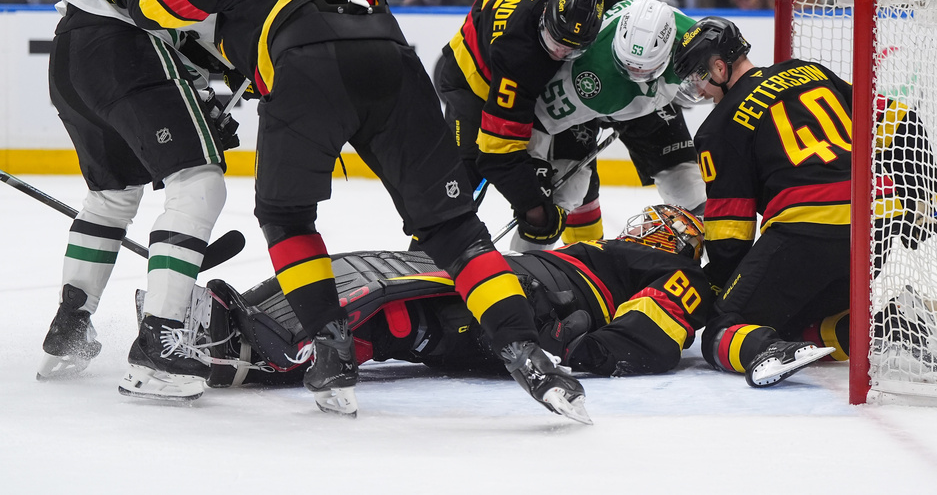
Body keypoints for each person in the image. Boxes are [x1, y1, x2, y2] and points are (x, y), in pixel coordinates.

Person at [83, 0, 591, 424]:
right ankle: (530, 356)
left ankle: (332, 352)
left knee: (288, 218)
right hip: (389, 49)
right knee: (455, 227)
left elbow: (153, 6)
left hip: (307, 61)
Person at [37, 0, 263, 403]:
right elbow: (187, 4)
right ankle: (160, 346)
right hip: (124, 50)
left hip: (71, 52)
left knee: (112, 198)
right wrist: (245, 60)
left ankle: (69, 328)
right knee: (199, 180)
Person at [188, 205, 712, 385]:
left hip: (534, 300)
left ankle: (267, 353)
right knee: (367, 276)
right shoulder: (611, 248)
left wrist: (582, 348)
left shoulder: (667, 266)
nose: (644, 228)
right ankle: (257, 337)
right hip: (511, 278)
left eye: (657, 225)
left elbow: (659, 322)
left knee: (410, 316)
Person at [673, 17, 847, 387]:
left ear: (719, 67)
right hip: (873, 230)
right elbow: (896, 116)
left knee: (724, 330)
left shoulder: (718, 127)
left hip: (805, 235)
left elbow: (731, 234)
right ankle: (886, 325)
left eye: (697, 77)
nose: (698, 90)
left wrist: (719, 291)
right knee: (795, 318)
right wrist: (918, 193)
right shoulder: (809, 71)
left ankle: (765, 351)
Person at [436, 0, 634, 251]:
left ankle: (589, 261)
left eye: (572, 50)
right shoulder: (518, 57)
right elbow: (497, 154)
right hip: (474, 78)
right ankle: (425, 260)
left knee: (578, 160)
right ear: (545, 16)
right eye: (556, 43)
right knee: (466, 176)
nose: (559, 54)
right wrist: (535, 211)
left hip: (523, 64)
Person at [528, 0, 706, 250]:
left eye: (644, 70)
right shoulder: (584, 73)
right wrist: (534, 171)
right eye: (629, 67)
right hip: (595, 92)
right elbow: (541, 119)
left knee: (688, 189)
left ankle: (720, 271)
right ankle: (526, 271)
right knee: (565, 191)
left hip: (652, 102)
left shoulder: (694, 40)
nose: (634, 75)